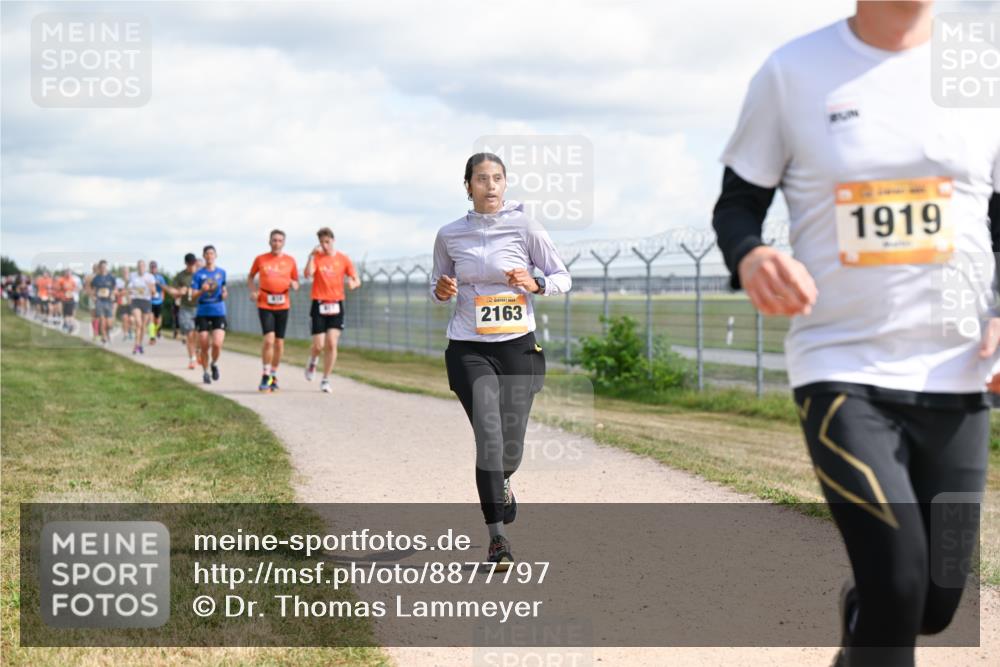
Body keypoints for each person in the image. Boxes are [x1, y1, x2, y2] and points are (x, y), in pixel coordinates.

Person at [712, 2, 1000, 666]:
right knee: (897, 583)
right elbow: (737, 203)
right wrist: (751, 254)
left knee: (935, 599)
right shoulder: (793, 72)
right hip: (842, 369)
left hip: (958, 375)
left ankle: (860, 624)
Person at [430, 152, 571, 568]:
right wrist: (441, 290)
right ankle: (497, 538)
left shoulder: (525, 226)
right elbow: (436, 286)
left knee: (510, 446)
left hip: (516, 348)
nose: (490, 185)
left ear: (505, 184)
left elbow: (563, 276)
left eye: (497, 178)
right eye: (481, 179)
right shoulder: (450, 234)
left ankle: (504, 482)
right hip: (468, 347)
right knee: (489, 438)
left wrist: (537, 282)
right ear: (468, 186)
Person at [303, 227, 360, 393]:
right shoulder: (317, 258)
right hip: (319, 304)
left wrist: (353, 284)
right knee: (318, 345)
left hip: (336, 304)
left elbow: (356, 278)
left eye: (327, 241)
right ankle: (313, 360)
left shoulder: (343, 259)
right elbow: (308, 273)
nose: (324, 245)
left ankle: (326, 379)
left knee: (332, 343)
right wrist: (311, 256)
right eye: (321, 242)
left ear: (333, 240)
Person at [249, 229, 300, 392]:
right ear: (269, 242)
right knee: (269, 340)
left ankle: (273, 374)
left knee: (279, 343)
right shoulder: (260, 259)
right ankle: (265, 374)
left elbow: (296, 283)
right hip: (265, 303)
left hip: (283, 304)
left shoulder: (290, 261)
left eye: (280, 240)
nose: (277, 243)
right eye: (274, 240)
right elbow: (250, 277)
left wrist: (294, 285)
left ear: (283, 243)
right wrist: (253, 291)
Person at [190, 245, 228, 384]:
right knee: (204, 345)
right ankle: (205, 372)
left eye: (212, 253)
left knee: (217, 344)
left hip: (218, 311)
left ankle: (214, 364)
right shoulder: (198, 274)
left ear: (215, 256)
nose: (210, 256)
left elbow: (224, 289)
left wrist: (224, 294)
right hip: (203, 312)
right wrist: (202, 290)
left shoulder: (222, 273)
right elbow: (193, 296)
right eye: (207, 253)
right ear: (204, 256)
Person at [167, 253, 200, 369]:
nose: (192, 267)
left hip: (199, 308)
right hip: (186, 308)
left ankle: (197, 351)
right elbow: (171, 290)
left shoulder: (200, 274)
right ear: (186, 264)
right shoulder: (181, 276)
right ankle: (192, 359)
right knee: (190, 334)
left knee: (198, 334)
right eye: (189, 264)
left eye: (193, 264)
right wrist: (179, 291)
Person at [127, 260, 157, 355]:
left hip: (146, 301)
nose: (141, 268)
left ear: (145, 267)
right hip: (136, 300)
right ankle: (136, 345)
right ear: (137, 267)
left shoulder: (150, 277)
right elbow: (129, 288)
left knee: (143, 325)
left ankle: (140, 344)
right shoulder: (133, 275)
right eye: (139, 266)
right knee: (138, 323)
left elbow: (154, 292)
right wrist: (130, 294)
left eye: (142, 266)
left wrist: (150, 286)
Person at [89, 260, 116, 345]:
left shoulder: (111, 278)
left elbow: (114, 288)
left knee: (109, 323)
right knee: (102, 320)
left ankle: (108, 332)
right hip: (99, 301)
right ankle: (104, 338)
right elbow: (92, 289)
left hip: (108, 302)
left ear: (106, 267)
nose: (103, 268)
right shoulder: (96, 278)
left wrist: (112, 294)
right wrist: (93, 296)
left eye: (104, 267)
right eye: (101, 267)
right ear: (99, 268)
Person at [148, 260, 168, 344]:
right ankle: (152, 337)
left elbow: (164, 288)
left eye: (154, 267)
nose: (153, 269)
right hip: (149, 301)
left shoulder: (160, 277)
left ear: (156, 268)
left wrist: (158, 284)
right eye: (151, 267)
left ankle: (158, 329)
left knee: (158, 319)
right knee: (151, 319)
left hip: (158, 301)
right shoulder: (147, 277)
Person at [115, 266, 131, 341]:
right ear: (122, 272)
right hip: (122, 302)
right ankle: (125, 334)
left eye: (126, 271)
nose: (125, 273)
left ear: (128, 272)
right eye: (124, 271)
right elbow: (115, 291)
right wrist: (121, 293)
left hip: (132, 302)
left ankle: (129, 330)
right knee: (124, 318)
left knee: (131, 319)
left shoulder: (132, 280)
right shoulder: (118, 281)